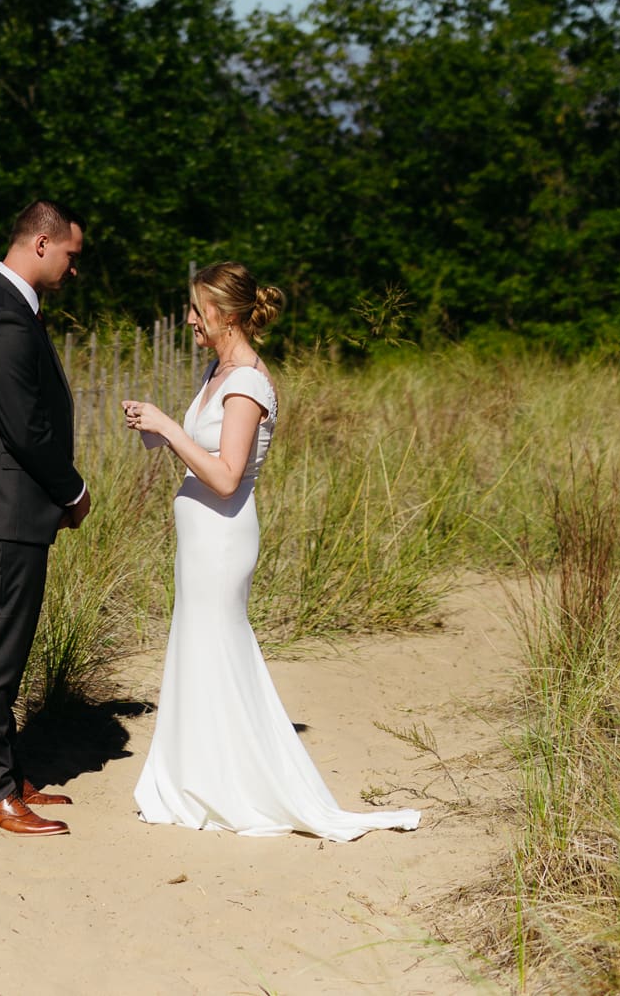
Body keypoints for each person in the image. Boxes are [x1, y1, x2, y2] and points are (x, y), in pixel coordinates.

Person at [120, 262, 420, 840]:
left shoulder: (248, 382)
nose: (187, 319)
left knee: (219, 647)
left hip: (223, 539)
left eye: (196, 310)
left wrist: (170, 427)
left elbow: (228, 476)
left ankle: (231, 783)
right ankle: (197, 773)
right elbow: (203, 451)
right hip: (200, 539)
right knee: (199, 650)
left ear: (225, 315)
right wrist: (156, 432)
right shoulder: (219, 370)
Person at [0, 200, 92, 836]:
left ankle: (5, 774)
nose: (73, 269)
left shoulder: (4, 308)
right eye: (71, 255)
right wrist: (73, 491)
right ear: (40, 244)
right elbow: (26, 431)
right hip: (4, 512)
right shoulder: (1, 318)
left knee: (8, 644)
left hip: (11, 510)